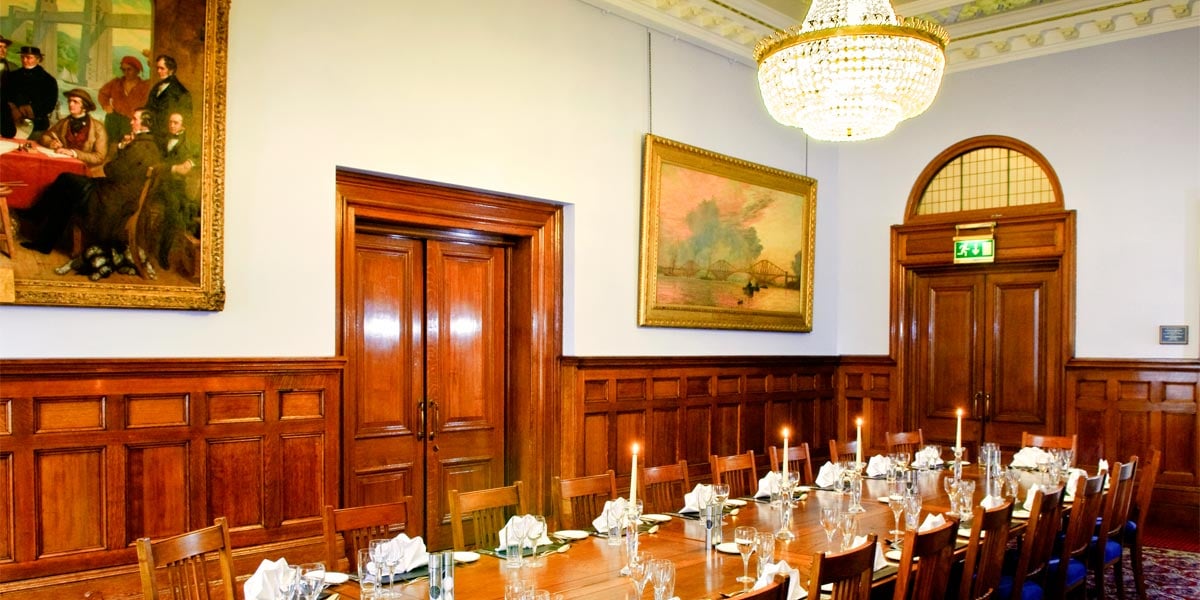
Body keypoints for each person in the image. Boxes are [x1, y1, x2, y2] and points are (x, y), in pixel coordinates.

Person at [20, 109, 162, 257]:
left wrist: (121, 147)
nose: (131, 122)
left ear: (145, 124)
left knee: (66, 181)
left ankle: (38, 220)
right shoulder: (149, 145)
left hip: (110, 199)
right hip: (116, 193)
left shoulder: (139, 147)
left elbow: (111, 170)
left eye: (135, 119)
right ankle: (42, 233)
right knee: (67, 184)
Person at [154, 111, 200, 268]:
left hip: (179, 185)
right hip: (161, 184)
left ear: (182, 125)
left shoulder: (189, 141)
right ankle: (163, 253)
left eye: (176, 123)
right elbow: (156, 163)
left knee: (189, 210)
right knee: (173, 213)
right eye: (170, 122)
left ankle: (187, 254)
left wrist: (190, 162)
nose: (172, 125)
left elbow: (199, 154)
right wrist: (173, 168)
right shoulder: (161, 140)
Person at [38, 88, 108, 172]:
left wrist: (74, 153)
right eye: (69, 101)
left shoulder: (98, 128)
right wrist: (51, 143)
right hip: (62, 165)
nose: (70, 104)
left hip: (84, 170)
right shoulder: (63, 123)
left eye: (75, 102)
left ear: (85, 107)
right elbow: (45, 136)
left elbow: (99, 157)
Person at [3, 46, 58, 138]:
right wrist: (13, 109)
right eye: (22, 57)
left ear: (38, 59)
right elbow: (4, 96)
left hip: (37, 125)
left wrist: (23, 111)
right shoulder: (12, 76)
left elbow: (50, 104)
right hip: (12, 122)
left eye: (29, 57)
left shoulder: (48, 80)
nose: (24, 60)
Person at [97, 55, 151, 144]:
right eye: (123, 70)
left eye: (129, 69)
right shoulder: (116, 83)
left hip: (132, 121)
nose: (126, 72)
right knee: (111, 144)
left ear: (137, 70)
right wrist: (106, 105)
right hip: (115, 120)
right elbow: (102, 93)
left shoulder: (144, 86)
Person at [145, 54, 191, 137]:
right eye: (157, 68)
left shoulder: (180, 91)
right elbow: (148, 108)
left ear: (171, 70)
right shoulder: (156, 87)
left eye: (162, 68)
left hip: (167, 134)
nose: (158, 71)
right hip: (153, 132)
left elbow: (184, 118)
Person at [0, 35, 16, 138]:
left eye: (5, 47)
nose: (3, 50)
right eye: (0, 47)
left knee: (9, 134)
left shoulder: (13, 68)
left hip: (3, 110)